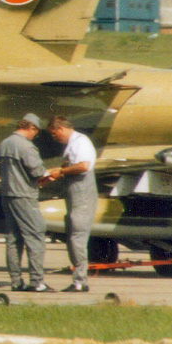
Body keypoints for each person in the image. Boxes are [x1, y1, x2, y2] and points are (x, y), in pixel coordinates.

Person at [0, 113, 52, 291]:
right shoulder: (26, 147)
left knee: (13, 239)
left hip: (7, 195)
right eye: (35, 132)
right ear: (31, 128)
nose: (35, 135)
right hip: (25, 196)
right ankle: (37, 282)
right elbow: (37, 171)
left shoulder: (4, 144)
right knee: (35, 235)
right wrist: (49, 174)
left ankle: (16, 281)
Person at [46, 115, 97, 292]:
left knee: (77, 237)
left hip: (82, 195)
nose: (54, 138)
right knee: (74, 237)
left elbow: (84, 166)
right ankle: (78, 279)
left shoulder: (80, 142)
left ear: (60, 128)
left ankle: (80, 281)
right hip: (74, 195)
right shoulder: (73, 144)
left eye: (54, 134)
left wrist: (62, 171)